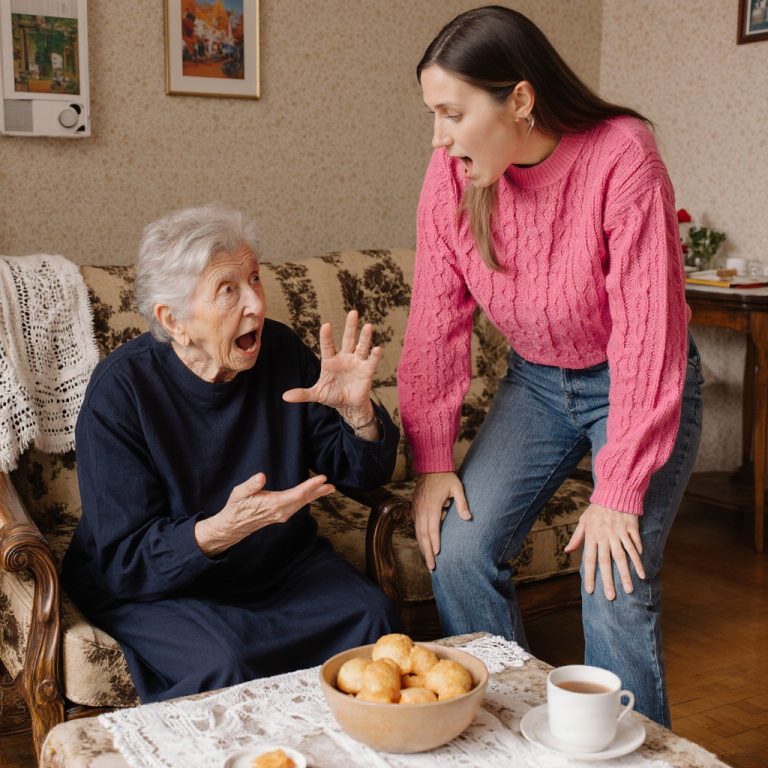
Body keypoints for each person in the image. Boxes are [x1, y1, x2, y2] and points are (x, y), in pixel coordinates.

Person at [397, 6, 703, 727]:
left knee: (613, 576)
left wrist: (619, 489)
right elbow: (437, 321)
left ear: (521, 101)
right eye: (432, 114)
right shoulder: (453, 175)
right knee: (459, 552)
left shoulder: (621, 156)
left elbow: (647, 338)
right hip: (537, 381)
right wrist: (434, 459)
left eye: (451, 112)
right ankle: (519, 734)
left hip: (637, 384)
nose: (438, 137)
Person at [62, 204, 400, 703]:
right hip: (162, 586)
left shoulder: (280, 353)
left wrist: (358, 415)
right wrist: (221, 530)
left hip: (277, 565)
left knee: (373, 618)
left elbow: (360, 473)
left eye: (255, 280)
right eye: (229, 290)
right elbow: (124, 559)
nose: (257, 304)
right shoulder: (121, 393)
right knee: (227, 662)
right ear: (173, 320)